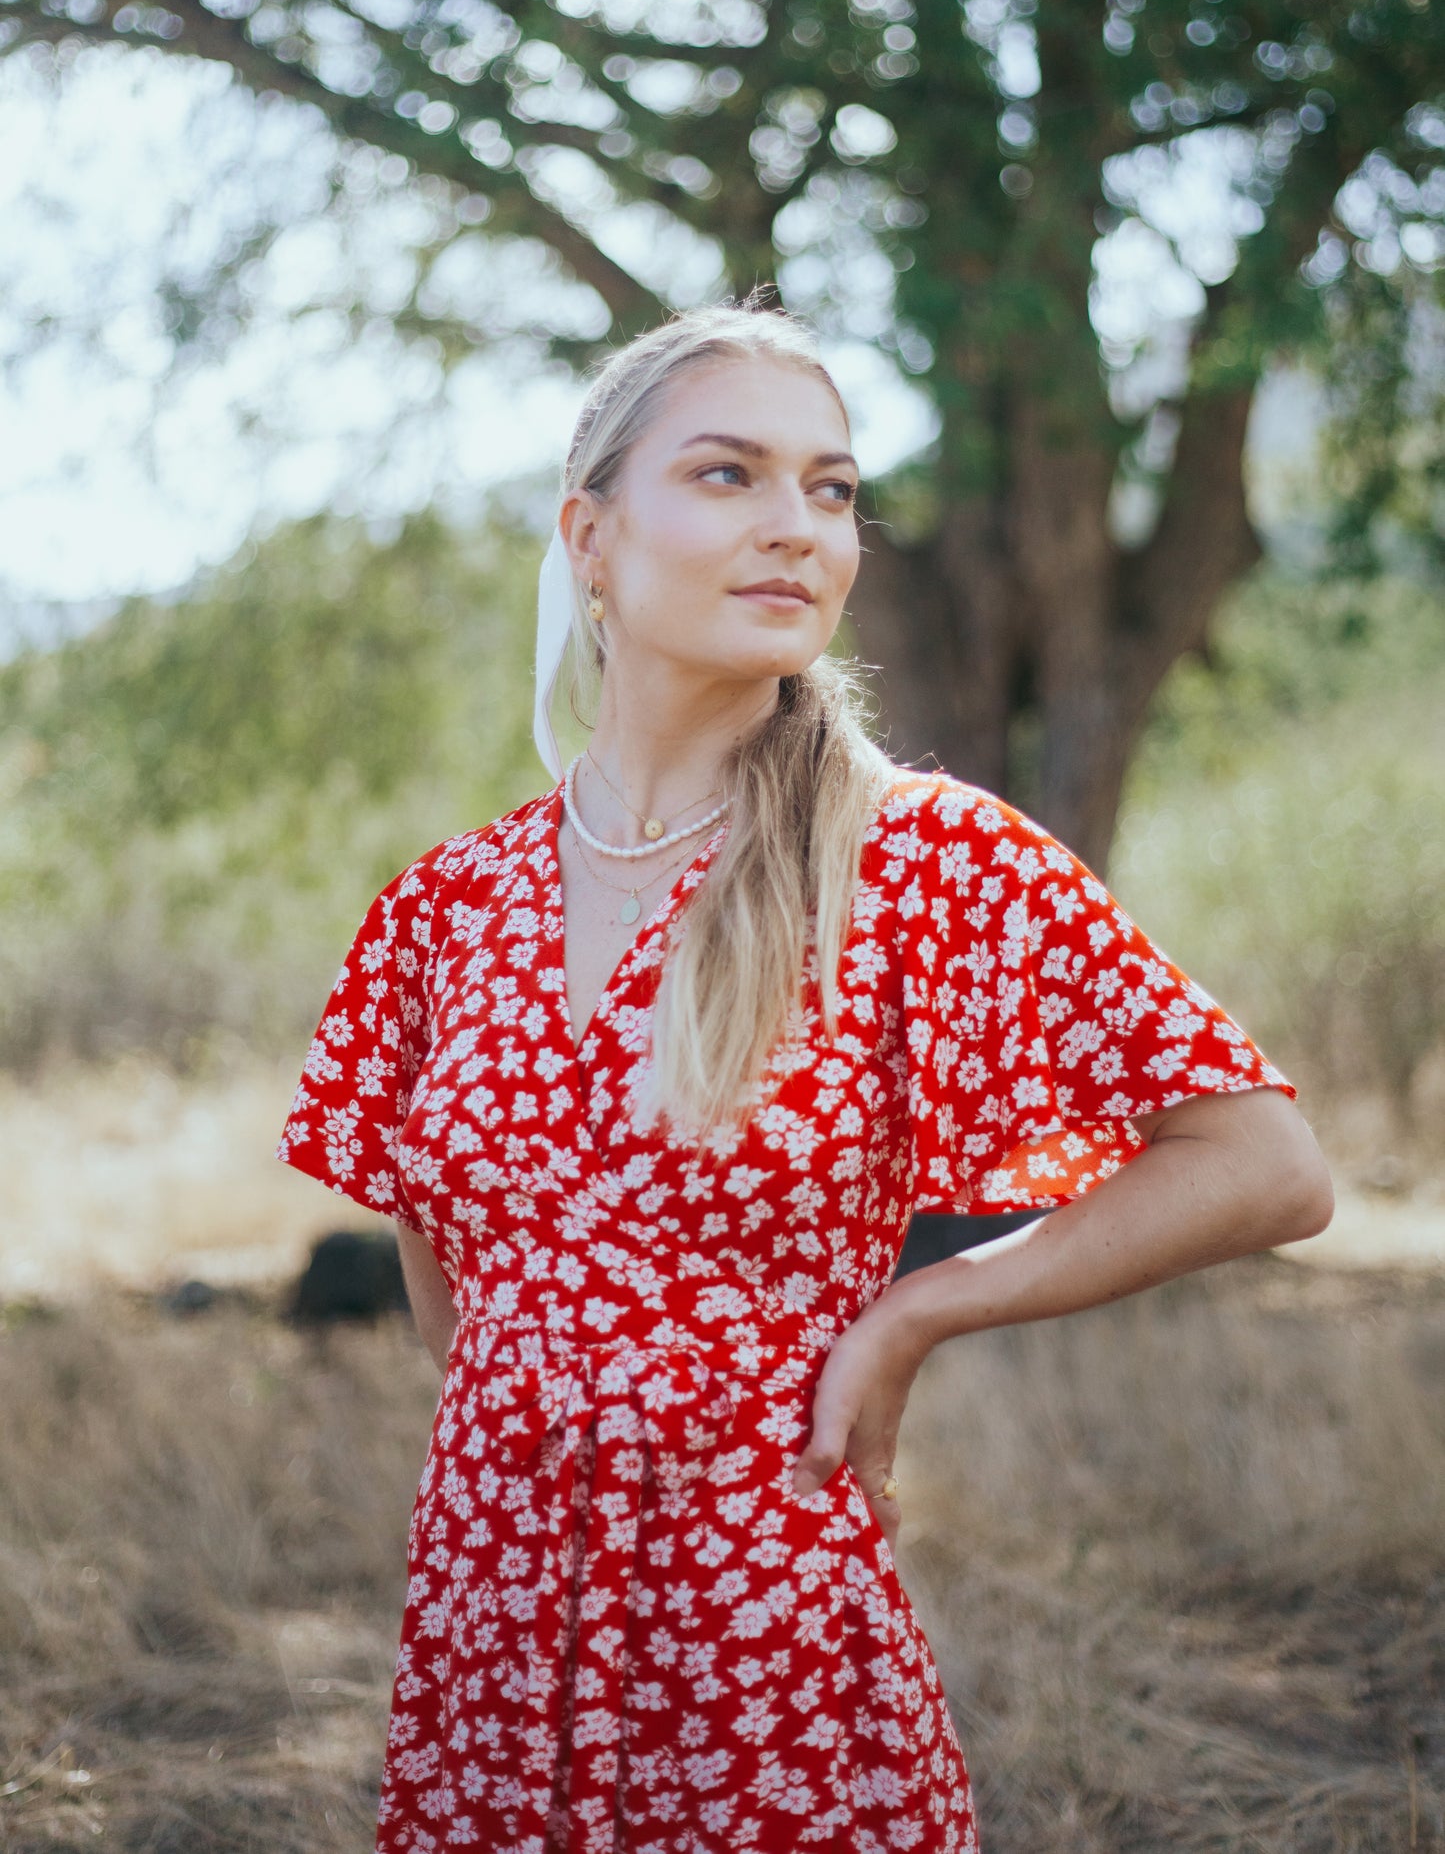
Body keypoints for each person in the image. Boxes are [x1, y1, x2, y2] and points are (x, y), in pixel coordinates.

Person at [275, 293, 1333, 1854]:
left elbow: (1266, 1167)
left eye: (829, 490)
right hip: (488, 1635)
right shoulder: (447, 905)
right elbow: (461, 1296)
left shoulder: (920, 859)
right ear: (591, 535)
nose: (798, 530)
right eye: (729, 477)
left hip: (762, 1633)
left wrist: (922, 1306)